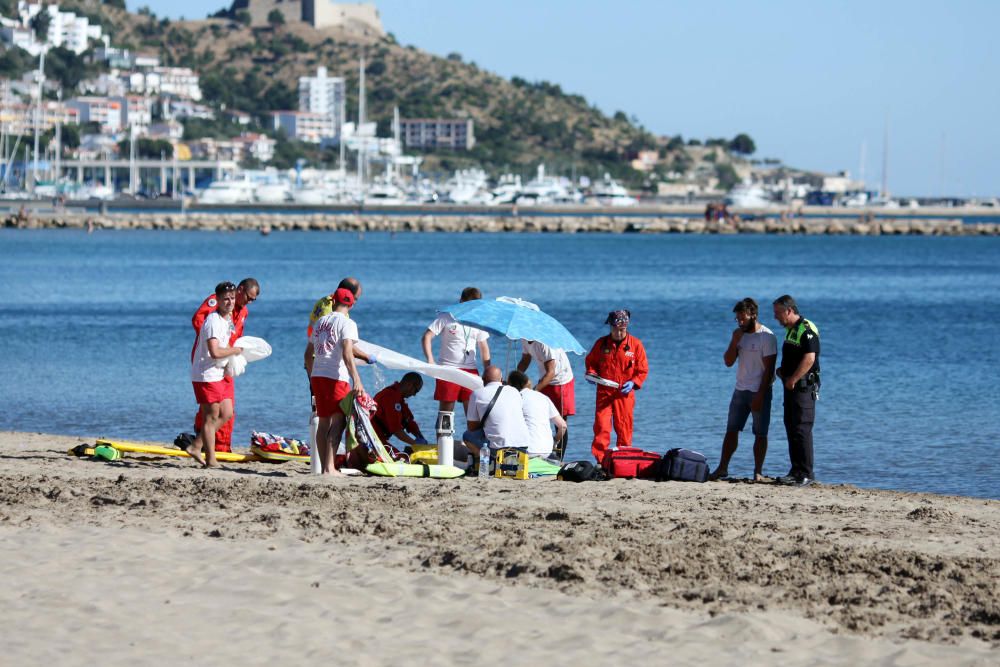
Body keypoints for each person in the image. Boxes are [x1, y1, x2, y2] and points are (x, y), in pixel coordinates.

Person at [709, 298, 777, 482]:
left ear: (753, 315)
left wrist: (760, 396)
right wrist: (735, 340)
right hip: (740, 389)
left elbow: (769, 371)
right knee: (731, 430)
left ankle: (758, 472)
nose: (740, 322)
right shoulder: (739, 335)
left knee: (760, 433)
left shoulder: (767, 336)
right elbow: (728, 362)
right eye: (737, 319)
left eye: (743, 318)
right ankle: (722, 468)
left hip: (760, 390)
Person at [190, 277, 259, 453]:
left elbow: (237, 336)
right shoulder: (218, 301)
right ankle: (206, 441)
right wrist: (215, 344)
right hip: (210, 359)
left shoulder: (243, 312)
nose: (249, 302)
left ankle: (218, 445)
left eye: (253, 300)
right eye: (249, 298)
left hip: (227, 358)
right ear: (240, 290)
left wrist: (236, 355)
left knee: (227, 407)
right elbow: (199, 321)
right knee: (211, 405)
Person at [309, 287, 372, 476]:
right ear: (351, 304)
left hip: (318, 375)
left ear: (333, 301)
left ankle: (323, 467)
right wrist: (357, 380)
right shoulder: (348, 323)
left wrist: (313, 374)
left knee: (323, 422)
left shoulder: (320, 321)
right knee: (338, 422)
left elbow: (307, 354)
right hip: (336, 377)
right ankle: (330, 468)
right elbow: (347, 352)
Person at [186, 282, 244, 467]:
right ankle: (211, 460)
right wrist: (236, 350)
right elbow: (215, 352)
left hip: (219, 372)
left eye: (232, 298)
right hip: (206, 374)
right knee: (211, 416)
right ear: (217, 300)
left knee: (226, 413)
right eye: (225, 299)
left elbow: (222, 350)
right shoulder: (212, 321)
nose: (229, 302)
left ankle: (196, 445)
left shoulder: (227, 320)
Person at [585, 309, 649, 463]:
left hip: (624, 394)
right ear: (610, 326)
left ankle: (623, 459)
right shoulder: (601, 343)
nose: (619, 332)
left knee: (624, 427)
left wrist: (634, 382)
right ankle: (600, 461)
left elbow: (642, 369)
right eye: (615, 328)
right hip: (604, 392)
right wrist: (591, 374)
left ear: (626, 327)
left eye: (622, 329)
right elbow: (591, 362)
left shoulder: (636, 345)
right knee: (601, 427)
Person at [773, 295, 821, 487]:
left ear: (789, 311)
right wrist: (782, 372)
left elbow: (809, 359)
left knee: (802, 430)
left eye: (778, 313)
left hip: (803, 388)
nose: (775, 317)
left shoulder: (806, 329)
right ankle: (795, 471)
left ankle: (807, 473)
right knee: (791, 427)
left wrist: (792, 378)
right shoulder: (790, 330)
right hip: (791, 387)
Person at [421, 287, 491, 417]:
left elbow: (484, 348)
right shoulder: (446, 316)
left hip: (470, 370)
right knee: (446, 411)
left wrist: (487, 370)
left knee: (472, 411)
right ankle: (443, 437)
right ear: (461, 301)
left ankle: (471, 437)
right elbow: (427, 337)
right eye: (468, 305)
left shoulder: (479, 320)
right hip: (448, 368)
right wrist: (430, 360)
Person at [516, 338, 575, 458]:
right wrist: (515, 379)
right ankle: (542, 449)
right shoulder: (525, 339)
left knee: (560, 422)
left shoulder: (544, 343)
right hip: (545, 378)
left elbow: (551, 372)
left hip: (560, 381)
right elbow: (525, 360)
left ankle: (559, 458)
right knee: (539, 415)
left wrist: (534, 392)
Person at [462, 366, 530, 458]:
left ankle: (487, 462)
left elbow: (471, 427)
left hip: (499, 448)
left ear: (483, 379)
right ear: (501, 379)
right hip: (523, 446)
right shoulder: (515, 391)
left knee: (467, 436)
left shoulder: (477, 394)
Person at [506, 370, 566, 459]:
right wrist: (555, 441)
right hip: (546, 451)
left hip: (526, 451)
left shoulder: (515, 399)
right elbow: (563, 426)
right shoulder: (543, 397)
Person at [371, 372, 428, 448]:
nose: (414, 395)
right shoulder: (390, 397)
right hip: (371, 439)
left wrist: (420, 437)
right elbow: (396, 430)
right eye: (416, 391)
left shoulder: (398, 398)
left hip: (379, 439)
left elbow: (409, 421)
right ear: (409, 385)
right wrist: (415, 444)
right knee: (403, 458)